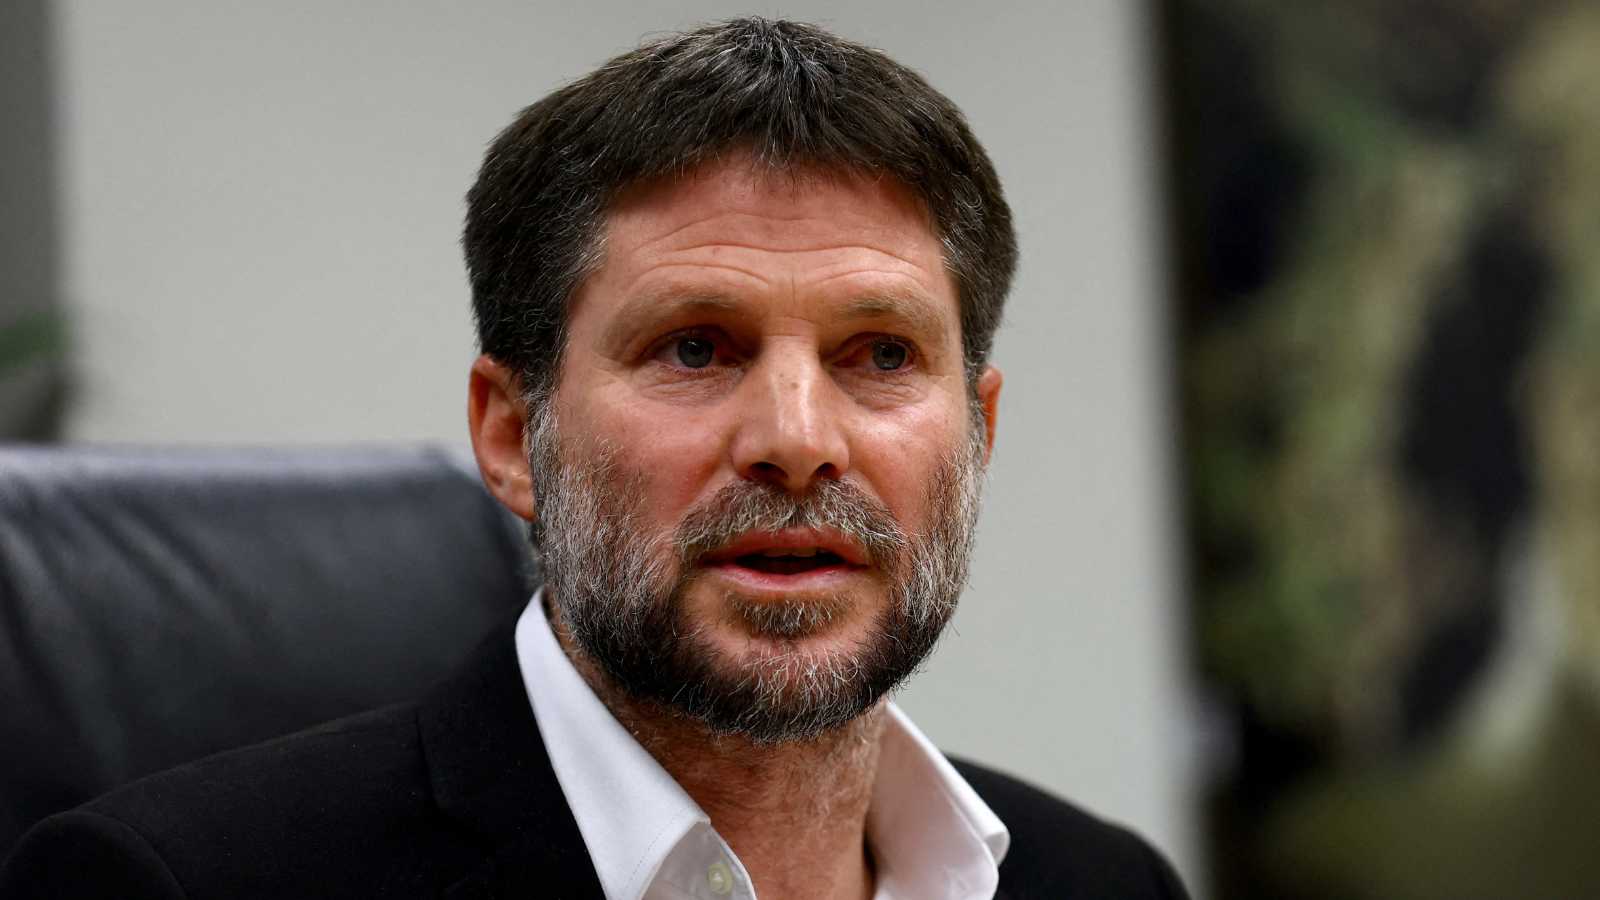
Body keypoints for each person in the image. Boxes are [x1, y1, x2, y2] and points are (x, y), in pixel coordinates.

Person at [0, 18, 1188, 899]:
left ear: (978, 434)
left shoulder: (1100, 882)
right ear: (512, 435)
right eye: (694, 347)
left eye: (879, 354)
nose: (796, 441)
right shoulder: (174, 885)